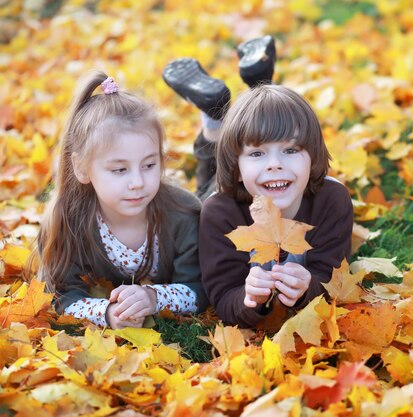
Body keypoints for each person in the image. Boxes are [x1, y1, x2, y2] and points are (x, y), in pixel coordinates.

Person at [35, 70, 208, 329]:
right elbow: (59, 295)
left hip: (203, 201)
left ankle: (213, 131)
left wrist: (154, 298)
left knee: (216, 192)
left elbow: (199, 290)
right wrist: (106, 313)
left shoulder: (183, 214)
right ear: (82, 168)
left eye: (149, 165)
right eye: (120, 169)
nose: (137, 182)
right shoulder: (66, 222)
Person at [198, 84, 354, 328]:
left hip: (265, 184)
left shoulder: (331, 201)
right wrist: (249, 298)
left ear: (312, 157)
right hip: (228, 193)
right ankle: (212, 123)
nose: (274, 164)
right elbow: (223, 295)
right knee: (205, 178)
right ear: (237, 169)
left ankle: (258, 85)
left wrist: (308, 287)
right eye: (257, 153)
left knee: (262, 127)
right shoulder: (219, 214)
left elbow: (333, 279)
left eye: (290, 150)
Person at [162, 35, 276, 197]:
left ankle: (215, 114)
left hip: (228, 195)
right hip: (283, 184)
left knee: (211, 193)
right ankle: (263, 90)